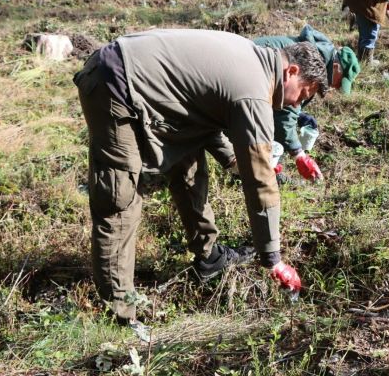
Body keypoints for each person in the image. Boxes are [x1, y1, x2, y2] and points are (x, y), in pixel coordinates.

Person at [73, 29, 326, 326]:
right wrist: (273, 259)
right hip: (114, 84)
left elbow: (205, 113)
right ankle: (119, 315)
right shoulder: (254, 89)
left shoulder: (253, 60)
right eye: (304, 93)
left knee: (189, 166)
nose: (297, 105)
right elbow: (260, 182)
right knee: (119, 203)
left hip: (148, 87)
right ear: (292, 71)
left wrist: (232, 157)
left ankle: (209, 258)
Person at [252, 25, 361, 182]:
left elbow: (288, 102)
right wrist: (299, 154)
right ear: (336, 67)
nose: (336, 88)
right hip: (245, 79)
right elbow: (284, 114)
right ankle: (262, 174)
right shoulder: (313, 63)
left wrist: (300, 115)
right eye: (340, 82)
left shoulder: (317, 57)